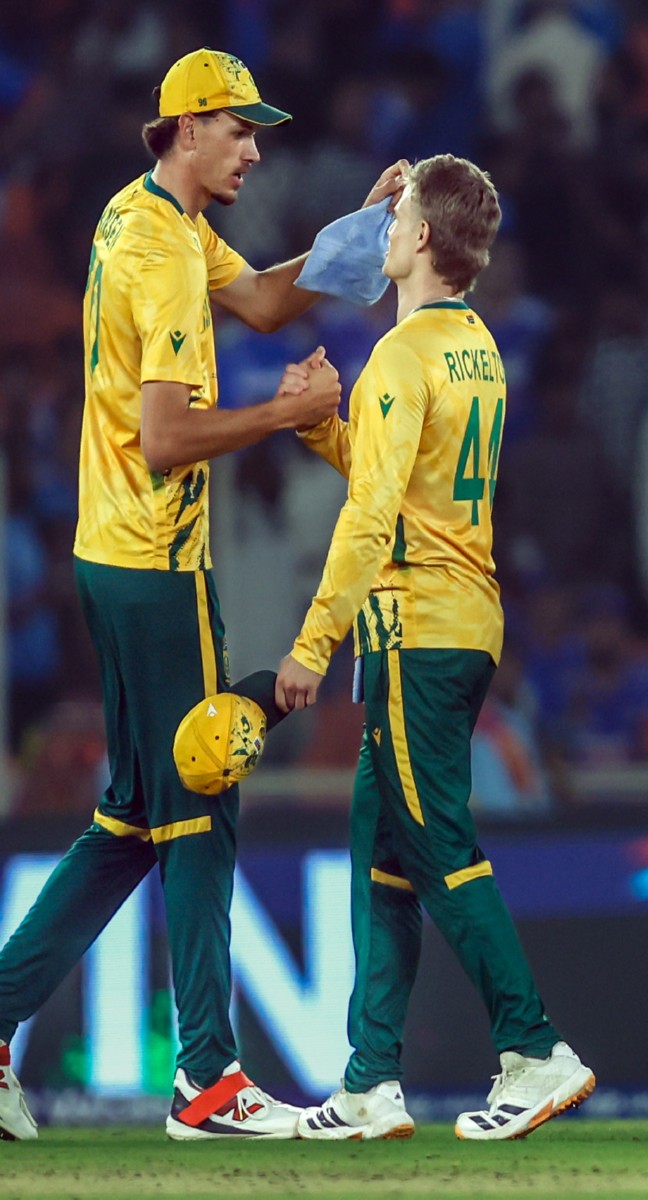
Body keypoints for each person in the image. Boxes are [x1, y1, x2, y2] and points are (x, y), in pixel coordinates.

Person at [0, 47, 401, 1143]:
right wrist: (289, 413)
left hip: (114, 551)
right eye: (240, 130)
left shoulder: (147, 221)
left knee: (131, 818)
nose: (256, 149)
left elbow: (268, 301)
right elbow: (168, 436)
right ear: (187, 128)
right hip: (153, 561)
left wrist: (358, 236)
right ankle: (208, 1082)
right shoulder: (162, 256)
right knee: (204, 789)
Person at [276, 154, 595, 1143]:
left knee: (437, 842)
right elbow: (402, 481)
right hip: (462, 620)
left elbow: (373, 517)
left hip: (412, 631)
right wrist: (322, 428)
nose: (388, 224)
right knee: (385, 855)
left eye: (399, 213)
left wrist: (311, 643)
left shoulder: (403, 359)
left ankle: (535, 1049)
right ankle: (370, 1079)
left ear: (415, 239)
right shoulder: (475, 348)